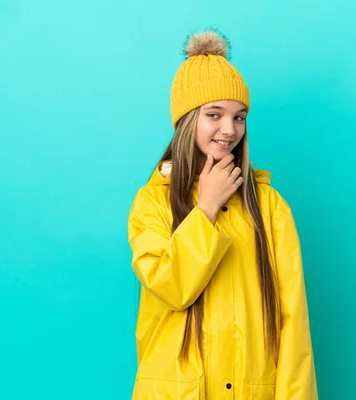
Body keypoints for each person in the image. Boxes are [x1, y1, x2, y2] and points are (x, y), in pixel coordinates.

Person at [127, 29, 318, 399]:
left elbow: (294, 324)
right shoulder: (152, 202)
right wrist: (207, 208)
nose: (229, 130)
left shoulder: (269, 207)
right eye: (214, 114)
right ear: (186, 121)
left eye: (240, 117)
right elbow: (171, 287)